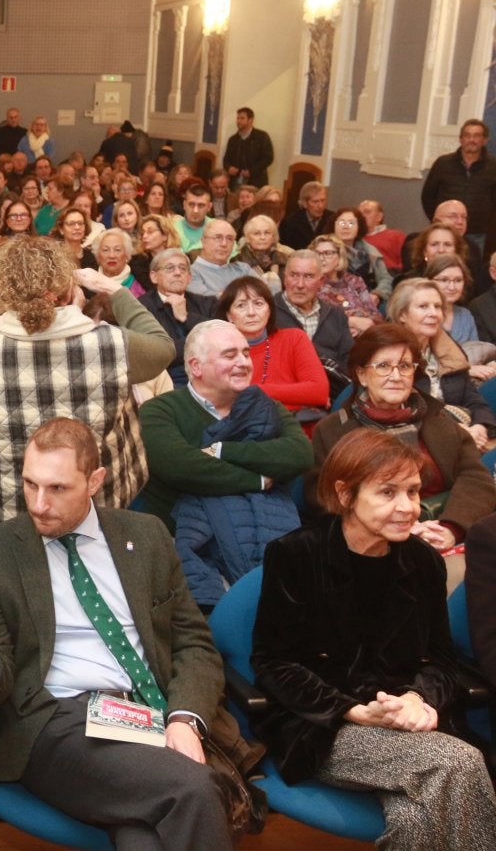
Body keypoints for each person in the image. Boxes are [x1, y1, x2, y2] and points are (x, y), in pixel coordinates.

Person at [0, 418, 263, 849]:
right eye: (30, 484)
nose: (39, 503)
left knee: (145, 837)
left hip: (148, 714)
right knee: (192, 789)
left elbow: (194, 642)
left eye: (58, 488)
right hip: (57, 721)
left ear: (95, 480)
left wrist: (183, 719)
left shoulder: (147, 535)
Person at [251, 429, 496, 848]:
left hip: (407, 718)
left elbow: (441, 658)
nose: (407, 508)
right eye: (387, 493)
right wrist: (352, 711)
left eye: (414, 492)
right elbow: (274, 663)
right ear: (345, 495)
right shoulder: (296, 555)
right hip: (325, 726)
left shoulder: (422, 562)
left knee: (414, 820)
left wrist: (419, 700)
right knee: (457, 762)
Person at [0, 236, 173, 527]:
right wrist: (114, 289)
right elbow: (163, 348)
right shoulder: (110, 343)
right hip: (98, 510)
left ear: (4, 293)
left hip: (9, 516)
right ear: (67, 287)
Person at [311, 324, 496, 549]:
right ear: (362, 375)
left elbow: (476, 479)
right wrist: (402, 528)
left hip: (443, 534)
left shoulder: (439, 419)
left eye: (405, 366)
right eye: (383, 366)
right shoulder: (333, 431)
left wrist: (451, 528)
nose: (396, 376)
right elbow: (326, 500)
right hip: (376, 545)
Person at [138, 321, 313, 532]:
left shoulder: (266, 407)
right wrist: (256, 480)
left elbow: (299, 454)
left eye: (246, 354)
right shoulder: (159, 410)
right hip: (186, 539)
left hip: (264, 529)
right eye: (230, 356)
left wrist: (221, 450)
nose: (244, 362)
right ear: (196, 366)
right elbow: (181, 467)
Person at [389, 278, 496, 446]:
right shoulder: (388, 355)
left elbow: (473, 398)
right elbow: (399, 415)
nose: (433, 313)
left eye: (438, 306)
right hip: (416, 446)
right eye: (423, 306)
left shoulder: (448, 349)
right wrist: (456, 431)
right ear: (402, 314)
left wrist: (480, 426)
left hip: (465, 437)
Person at [216, 275, 330, 419]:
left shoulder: (294, 338)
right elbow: (219, 400)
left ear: (269, 310)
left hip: (298, 427)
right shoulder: (219, 350)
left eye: (258, 304)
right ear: (229, 316)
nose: (251, 313)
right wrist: (294, 395)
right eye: (241, 305)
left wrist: (256, 390)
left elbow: (318, 392)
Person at [273, 249, 356, 395]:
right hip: (284, 393)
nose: (300, 284)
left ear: (321, 281)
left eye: (308, 276)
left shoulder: (336, 315)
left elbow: (349, 362)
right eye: (294, 275)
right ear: (285, 278)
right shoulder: (268, 311)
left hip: (332, 392)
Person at [141, 248, 216, 387]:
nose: (177, 273)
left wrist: (187, 317)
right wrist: (200, 349)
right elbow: (154, 352)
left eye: (183, 269)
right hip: (163, 381)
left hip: (209, 377)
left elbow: (219, 339)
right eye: (169, 268)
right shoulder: (141, 307)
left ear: (189, 277)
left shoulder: (207, 303)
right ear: (154, 276)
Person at [421, 118, 496, 249]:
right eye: (467, 135)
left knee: (471, 268)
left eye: (476, 136)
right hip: (444, 231)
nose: (471, 140)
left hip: (478, 234)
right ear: (461, 139)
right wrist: (440, 220)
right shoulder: (443, 163)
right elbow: (428, 196)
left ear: (485, 140)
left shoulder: (494, 167)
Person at [311, 234, 383, 338]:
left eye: (328, 253)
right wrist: (352, 322)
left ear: (340, 256)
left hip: (364, 335)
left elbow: (375, 315)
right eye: (317, 254)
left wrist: (361, 328)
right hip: (330, 337)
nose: (322, 258)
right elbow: (315, 319)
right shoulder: (311, 284)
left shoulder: (354, 281)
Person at [330, 206, 392, 298]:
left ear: (359, 226)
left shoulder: (370, 250)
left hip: (370, 297)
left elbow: (386, 278)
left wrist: (377, 294)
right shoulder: (324, 249)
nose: (346, 227)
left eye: (351, 223)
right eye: (341, 223)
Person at [187, 219, 257, 297]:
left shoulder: (243, 269)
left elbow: (264, 292)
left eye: (229, 239)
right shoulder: (191, 272)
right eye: (218, 237)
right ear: (203, 241)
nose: (224, 244)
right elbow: (205, 301)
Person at [425, 254, 482, 344]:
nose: (452, 287)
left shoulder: (465, 315)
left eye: (458, 280)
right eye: (444, 280)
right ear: (429, 282)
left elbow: (476, 353)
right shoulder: (421, 314)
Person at [231, 214, 291, 293]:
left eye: (267, 233)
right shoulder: (237, 261)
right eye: (257, 233)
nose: (262, 237)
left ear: (273, 237)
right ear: (247, 238)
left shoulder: (285, 260)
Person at [222, 107, 274, 189]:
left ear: (250, 120)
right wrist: (229, 168)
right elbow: (226, 159)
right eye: (238, 118)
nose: (238, 121)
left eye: (242, 118)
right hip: (236, 182)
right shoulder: (233, 139)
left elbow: (268, 158)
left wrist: (251, 171)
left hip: (256, 182)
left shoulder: (262, 137)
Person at [129, 213, 181, 294]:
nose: (145, 236)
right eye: (143, 233)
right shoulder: (137, 262)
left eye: (150, 231)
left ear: (165, 235)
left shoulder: (180, 259)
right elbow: (151, 289)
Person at [278, 181, 335, 251]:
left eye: (323, 200)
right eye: (315, 201)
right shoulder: (290, 223)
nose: (320, 206)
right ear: (304, 203)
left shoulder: (332, 219)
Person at [358, 199, 407, 272]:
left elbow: (406, 263)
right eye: (359, 214)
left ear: (379, 217)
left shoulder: (396, 236)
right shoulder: (354, 239)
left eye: (367, 212)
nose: (362, 216)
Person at [93, 228, 144, 296]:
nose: (112, 255)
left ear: (127, 255)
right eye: (105, 250)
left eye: (117, 250)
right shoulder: (88, 283)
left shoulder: (139, 287)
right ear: (98, 256)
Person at [173, 180, 212, 252]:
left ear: (209, 207)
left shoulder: (219, 228)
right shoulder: (172, 229)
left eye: (201, 205)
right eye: (191, 204)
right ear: (184, 205)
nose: (195, 210)